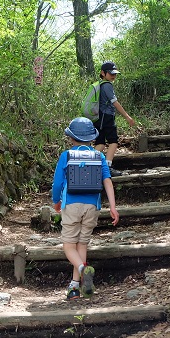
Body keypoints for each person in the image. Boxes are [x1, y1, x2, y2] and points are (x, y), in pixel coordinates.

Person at [52, 117, 120, 300]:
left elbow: (57, 183)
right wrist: (113, 207)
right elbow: (107, 181)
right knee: (82, 244)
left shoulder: (66, 155)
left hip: (71, 204)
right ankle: (75, 287)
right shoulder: (99, 156)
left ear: (71, 137)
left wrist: (56, 201)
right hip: (92, 206)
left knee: (69, 245)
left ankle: (83, 269)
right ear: (92, 138)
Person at [94, 61, 136, 176]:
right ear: (103, 73)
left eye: (115, 73)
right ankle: (107, 168)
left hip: (99, 117)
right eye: (111, 73)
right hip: (106, 117)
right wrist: (127, 117)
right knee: (113, 142)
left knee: (100, 143)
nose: (113, 75)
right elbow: (115, 103)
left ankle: (90, 165)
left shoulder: (100, 84)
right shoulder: (107, 85)